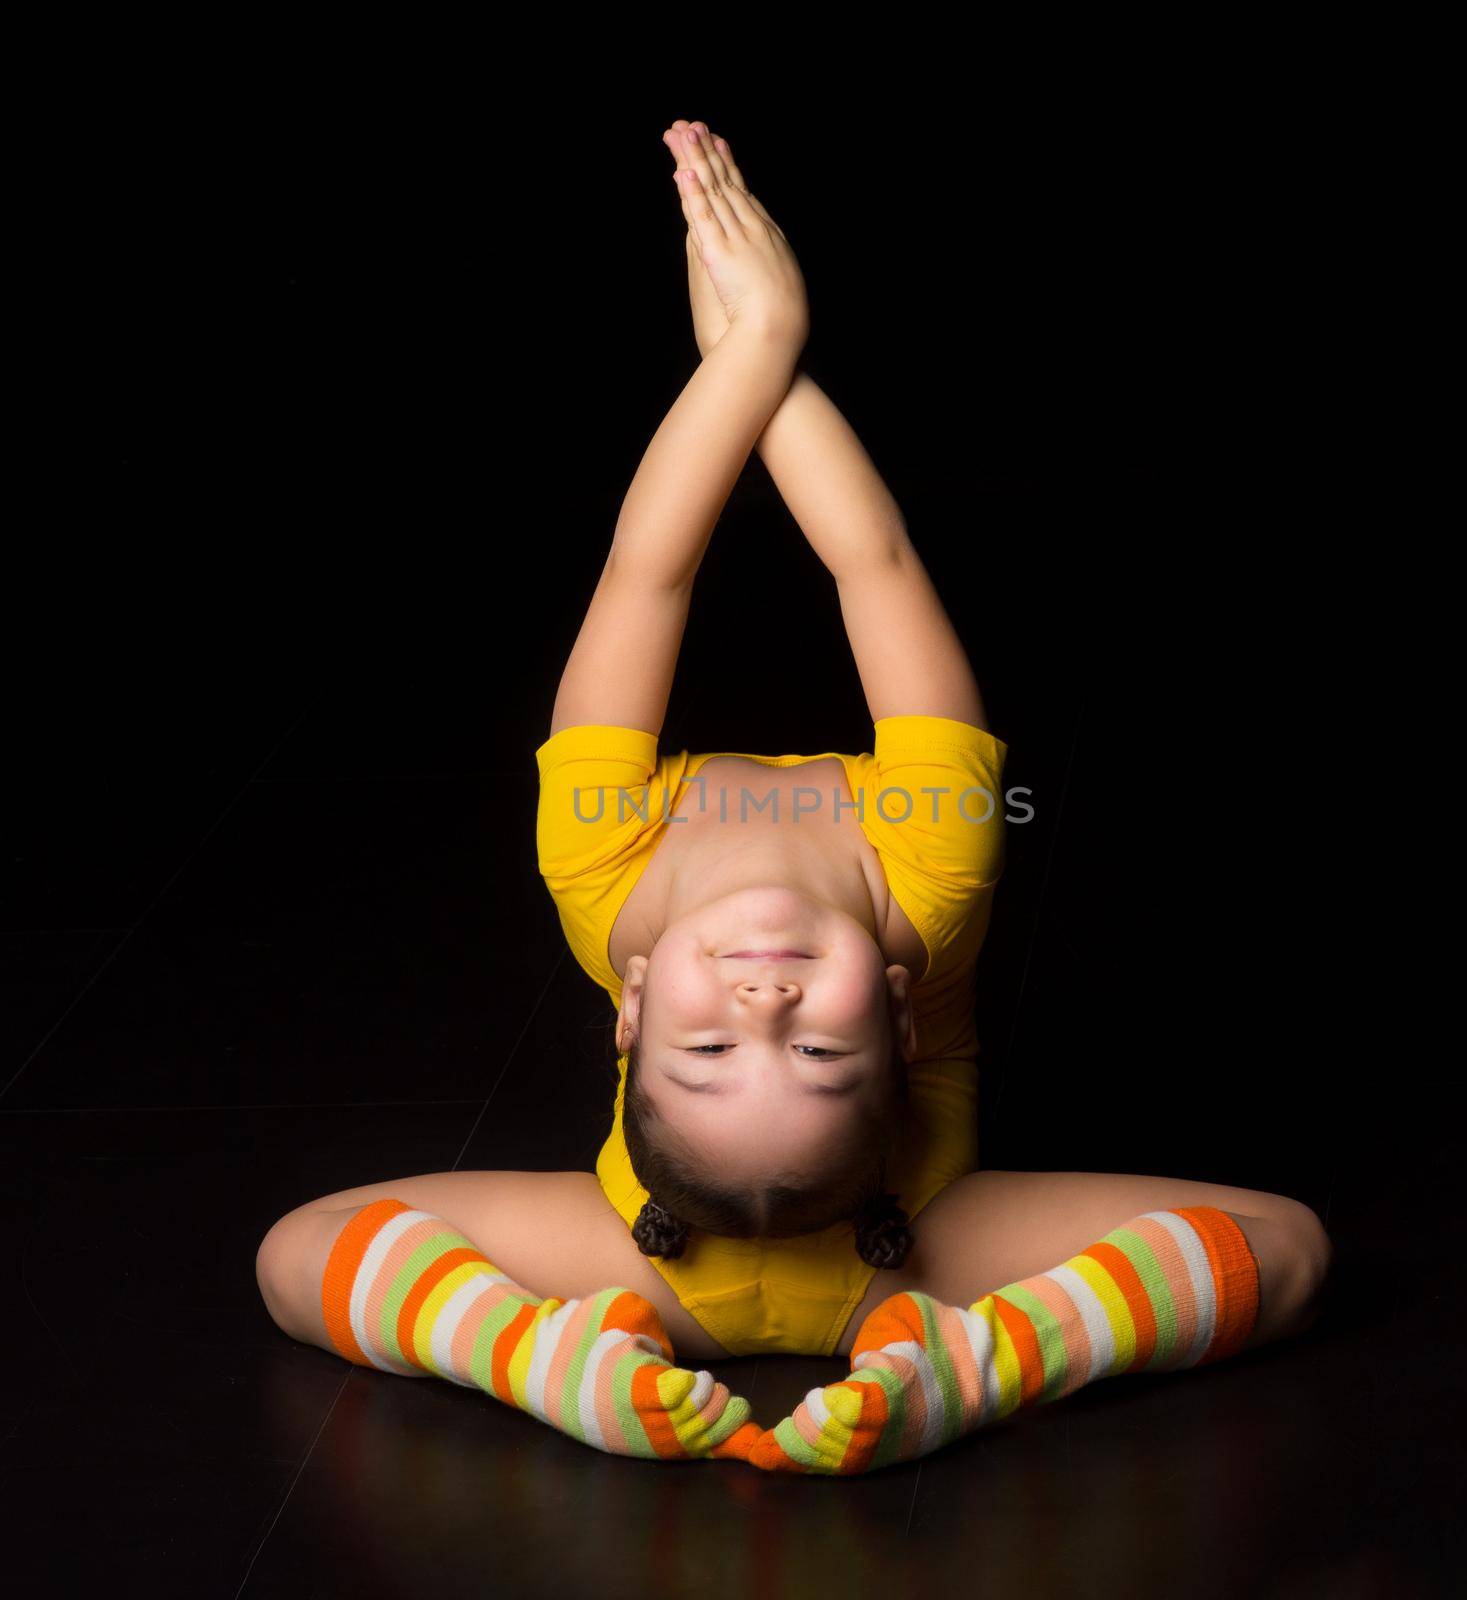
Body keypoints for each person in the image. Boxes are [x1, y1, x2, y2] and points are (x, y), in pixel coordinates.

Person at [255, 119, 1332, 1474]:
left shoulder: (605, 877)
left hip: (644, 1262)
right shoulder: (930, 875)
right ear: (893, 1003)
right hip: (920, 1255)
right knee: (1287, 1247)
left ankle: (559, 1370)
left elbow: (650, 567)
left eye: (710, 1055)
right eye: (817, 1054)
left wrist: (751, 349)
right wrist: (757, 344)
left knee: (297, 1253)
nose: (763, 1011)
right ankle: (970, 1366)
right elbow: (870, 560)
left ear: (633, 1010)